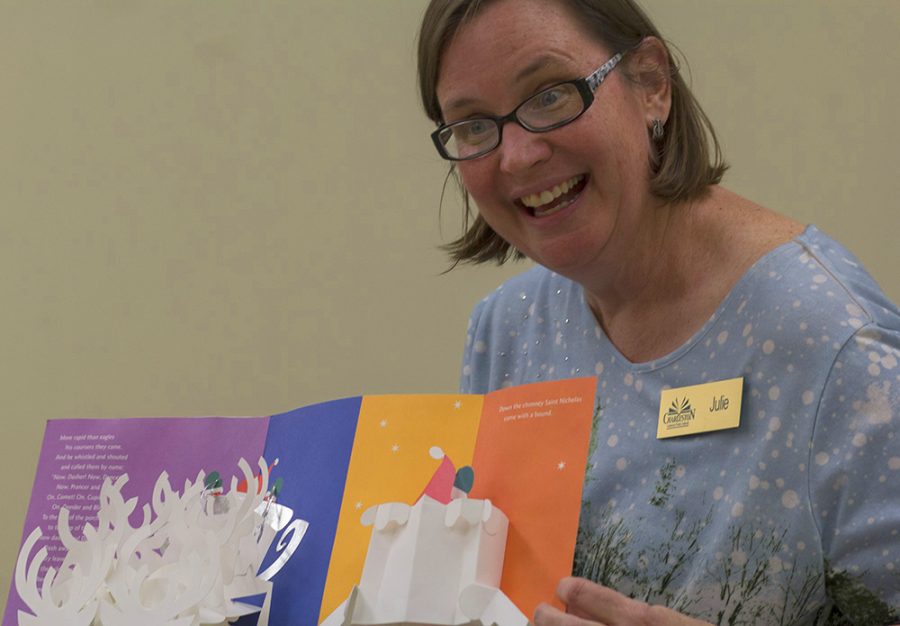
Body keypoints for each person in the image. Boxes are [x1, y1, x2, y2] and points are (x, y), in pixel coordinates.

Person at [417, 0, 900, 624]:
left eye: (550, 95)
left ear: (651, 84)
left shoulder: (834, 345)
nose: (517, 156)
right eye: (475, 125)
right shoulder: (505, 332)